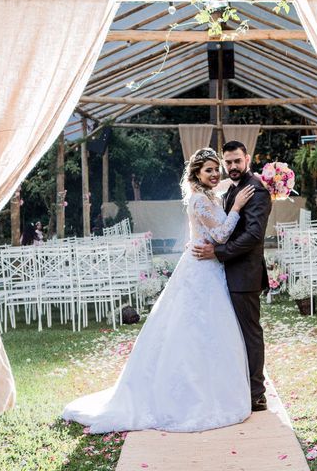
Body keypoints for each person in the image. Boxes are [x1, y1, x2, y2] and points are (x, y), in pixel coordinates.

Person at [62, 148, 256, 433]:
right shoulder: (200, 200)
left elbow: (227, 190)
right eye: (209, 170)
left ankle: (213, 388)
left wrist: (237, 187)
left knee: (210, 332)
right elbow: (222, 234)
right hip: (200, 270)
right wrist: (237, 207)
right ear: (196, 175)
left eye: (218, 169)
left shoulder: (211, 194)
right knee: (192, 331)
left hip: (209, 268)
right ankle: (187, 398)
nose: (216, 174)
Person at [193, 140, 272, 412]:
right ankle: (240, 386)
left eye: (237, 161)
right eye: (228, 162)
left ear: (247, 159)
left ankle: (257, 393)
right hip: (227, 272)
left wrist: (218, 252)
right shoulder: (231, 191)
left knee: (250, 332)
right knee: (233, 333)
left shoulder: (256, 191)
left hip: (244, 275)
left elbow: (253, 236)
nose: (232, 167)